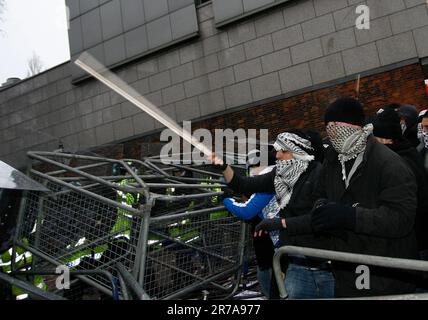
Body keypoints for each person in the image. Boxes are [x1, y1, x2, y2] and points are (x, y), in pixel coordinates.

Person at [310, 97, 418, 297]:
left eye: (335, 126)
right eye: (327, 127)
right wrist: (322, 208)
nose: (330, 133)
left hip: (385, 270)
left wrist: (351, 217)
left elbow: (401, 219)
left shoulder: (389, 163)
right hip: (346, 269)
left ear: (355, 126)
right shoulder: (332, 160)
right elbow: (319, 194)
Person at [212, 129, 336, 299]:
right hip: (295, 262)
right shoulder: (279, 175)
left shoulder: (321, 175)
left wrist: (280, 223)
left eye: (283, 151)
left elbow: (320, 218)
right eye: (277, 150)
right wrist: (224, 167)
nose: (277, 155)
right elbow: (243, 184)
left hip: (326, 265)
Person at [372, 108, 428, 260]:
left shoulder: (399, 162)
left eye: (373, 140)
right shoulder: (407, 151)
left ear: (385, 140)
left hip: (415, 238)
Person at [223, 149, 278, 298]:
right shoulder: (272, 179)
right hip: (269, 240)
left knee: (271, 275)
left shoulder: (268, 183)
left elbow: (248, 211)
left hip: (273, 242)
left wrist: (227, 200)